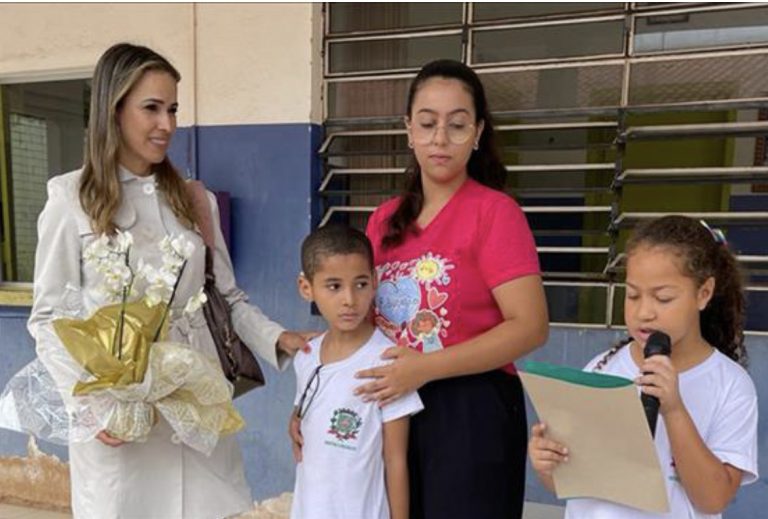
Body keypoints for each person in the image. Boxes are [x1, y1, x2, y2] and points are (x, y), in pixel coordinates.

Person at [30, 42, 309, 519]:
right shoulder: (70, 199)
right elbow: (49, 317)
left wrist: (280, 338)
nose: (168, 125)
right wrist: (91, 409)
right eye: (152, 108)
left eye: (173, 109)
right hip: (123, 420)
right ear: (113, 110)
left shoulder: (195, 200)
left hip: (195, 411)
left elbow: (226, 296)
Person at [358, 59, 549, 518]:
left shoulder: (495, 213)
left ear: (478, 132)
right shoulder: (384, 219)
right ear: (408, 129)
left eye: (457, 125)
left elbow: (530, 327)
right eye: (427, 123)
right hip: (392, 407)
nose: (439, 138)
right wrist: (316, 396)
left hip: (470, 413)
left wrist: (425, 368)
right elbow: (359, 323)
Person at [529, 215, 759, 518]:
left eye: (663, 298)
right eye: (633, 294)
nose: (643, 312)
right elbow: (569, 484)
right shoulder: (601, 368)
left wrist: (674, 410)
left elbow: (713, 499)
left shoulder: (731, 385)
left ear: (703, 293)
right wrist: (547, 462)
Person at [289, 224, 423, 519]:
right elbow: (306, 416)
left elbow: (396, 459)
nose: (349, 299)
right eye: (334, 286)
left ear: (375, 282)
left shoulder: (388, 362)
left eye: (360, 284)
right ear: (306, 288)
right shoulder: (306, 356)